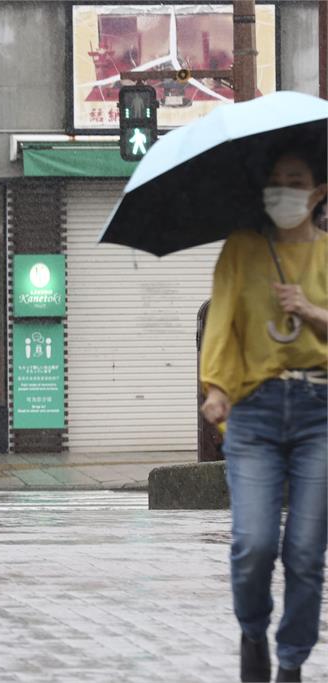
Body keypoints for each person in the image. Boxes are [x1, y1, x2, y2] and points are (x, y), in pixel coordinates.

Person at [200, 147, 327, 683]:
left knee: (304, 549)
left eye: (294, 181)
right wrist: (215, 387)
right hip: (253, 412)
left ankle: (292, 662)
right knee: (253, 543)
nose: (283, 190)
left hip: (320, 412)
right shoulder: (242, 249)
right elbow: (221, 319)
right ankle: (253, 631)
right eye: (275, 181)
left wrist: (311, 309)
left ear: (318, 193)